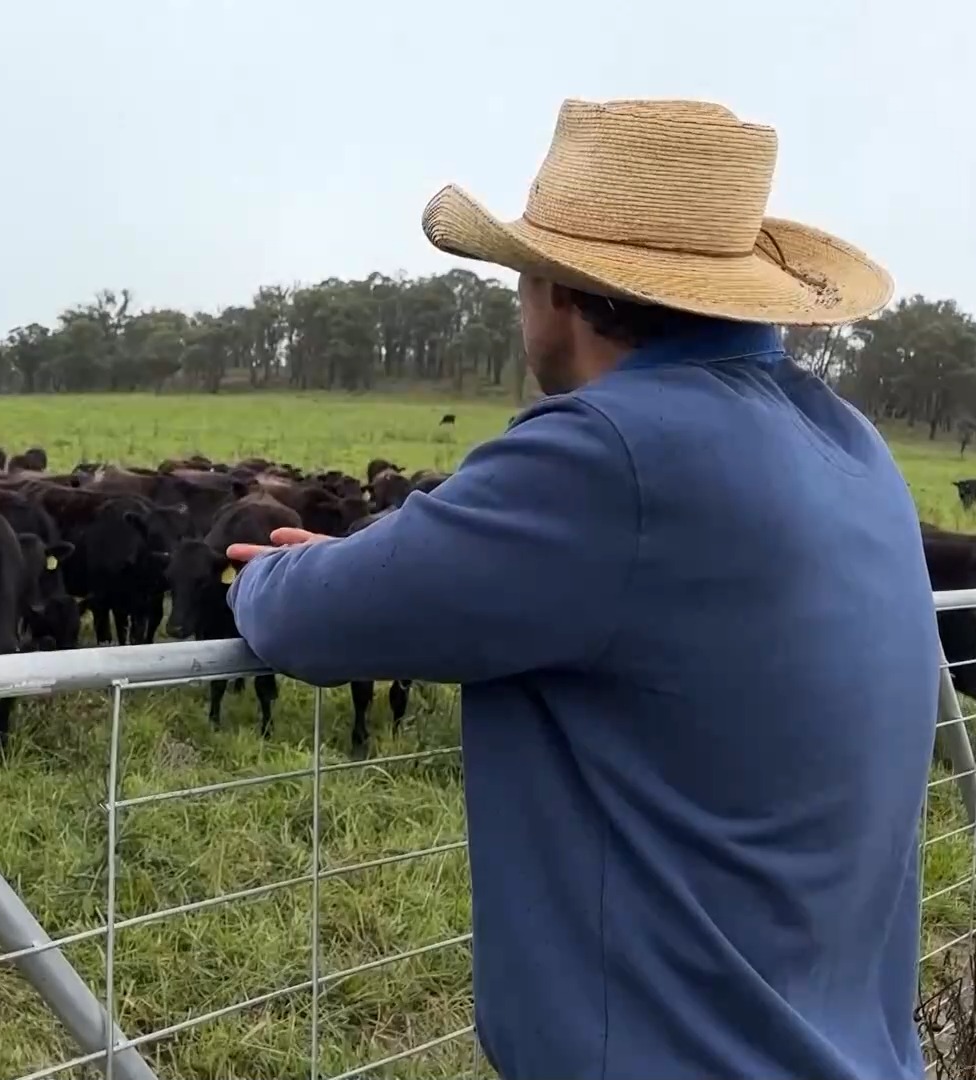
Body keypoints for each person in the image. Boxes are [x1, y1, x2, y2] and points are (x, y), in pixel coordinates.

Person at [225, 99, 934, 1080]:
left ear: (559, 290)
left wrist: (281, 567)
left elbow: (309, 616)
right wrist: (398, 543)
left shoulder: (614, 456)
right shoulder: (851, 445)